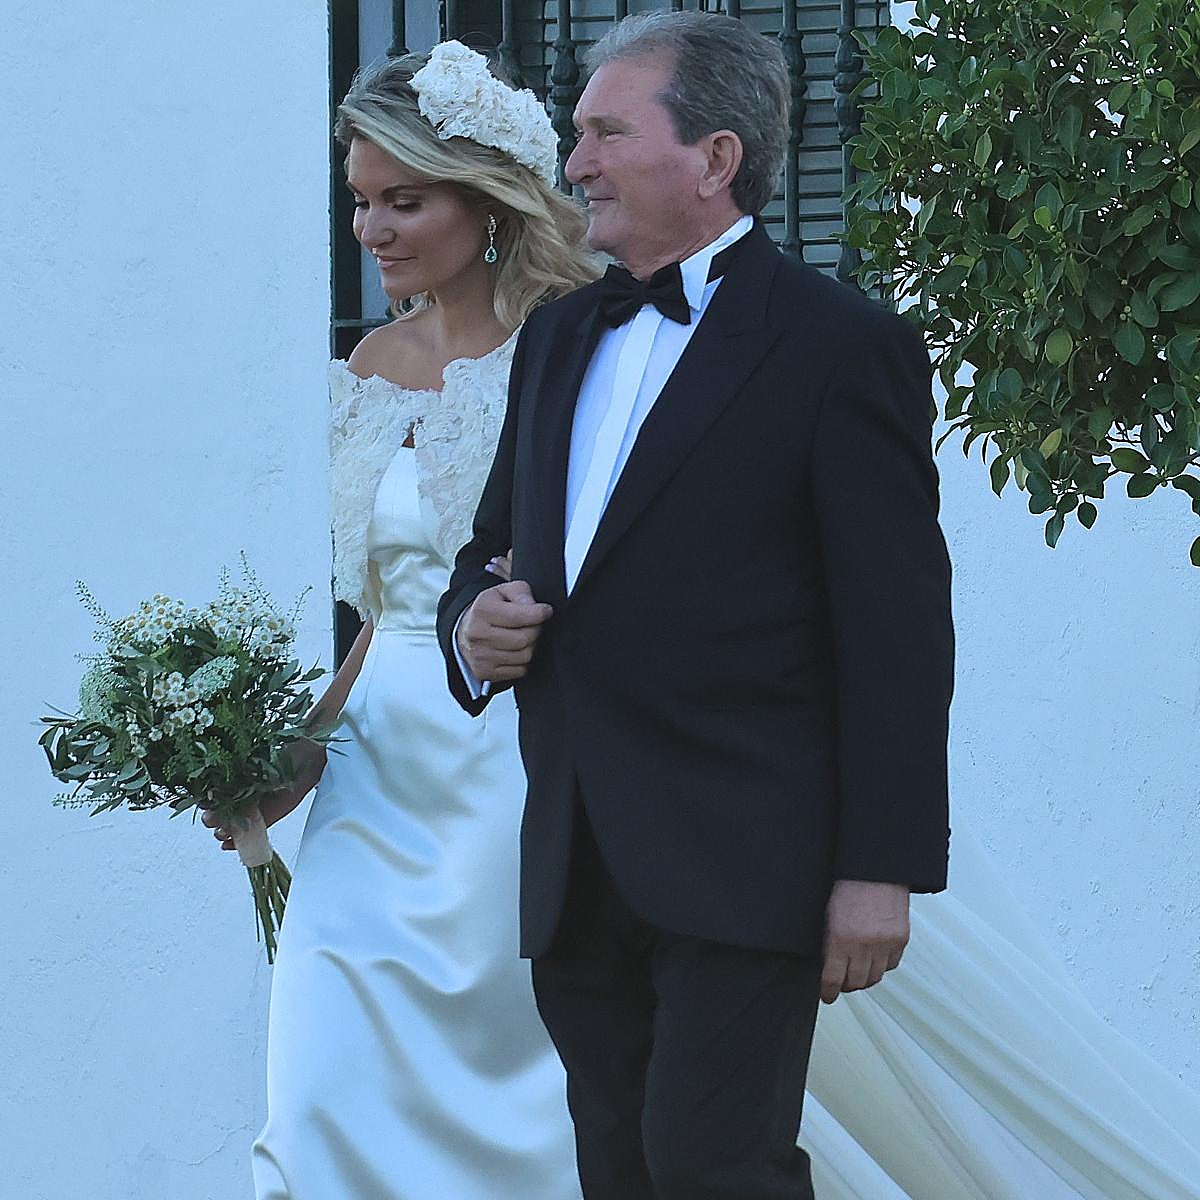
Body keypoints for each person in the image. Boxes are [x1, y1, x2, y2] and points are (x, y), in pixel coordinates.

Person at [438, 11, 954, 1199]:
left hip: (747, 858)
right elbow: (489, 549)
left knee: (712, 1167)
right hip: (575, 854)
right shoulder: (557, 335)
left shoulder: (843, 347)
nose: (576, 163)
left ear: (715, 158)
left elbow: (897, 632)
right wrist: (471, 627)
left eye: (607, 133)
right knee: (620, 1169)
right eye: (578, 134)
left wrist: (880, 868)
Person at [205, 42, 597, 1199]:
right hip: (373, 781)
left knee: (524, 1105)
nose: (372, 230)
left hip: (519, 762)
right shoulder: (373, 361)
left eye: (405, 201)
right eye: (360, 201)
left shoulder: (579, 346)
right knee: (320, 1094)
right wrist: (294, 756)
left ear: (487, 201)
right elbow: (385, 614)